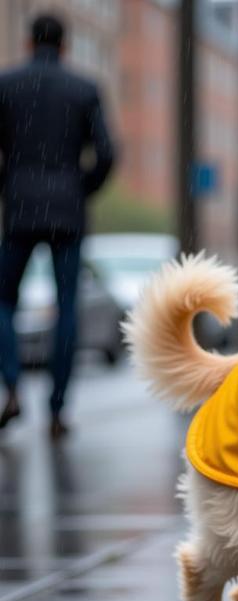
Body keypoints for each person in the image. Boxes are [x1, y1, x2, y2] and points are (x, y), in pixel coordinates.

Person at [0, 14, 115, 438]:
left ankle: (12, 385)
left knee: (3, 301)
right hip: (68, 209)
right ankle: (56, 408)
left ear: (29, 42)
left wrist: (9, 185)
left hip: (20, 208)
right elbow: (106, 153)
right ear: (65, 47)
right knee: (67, 307)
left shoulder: (7, 85)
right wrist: (79, 187)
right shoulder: (84, 90)